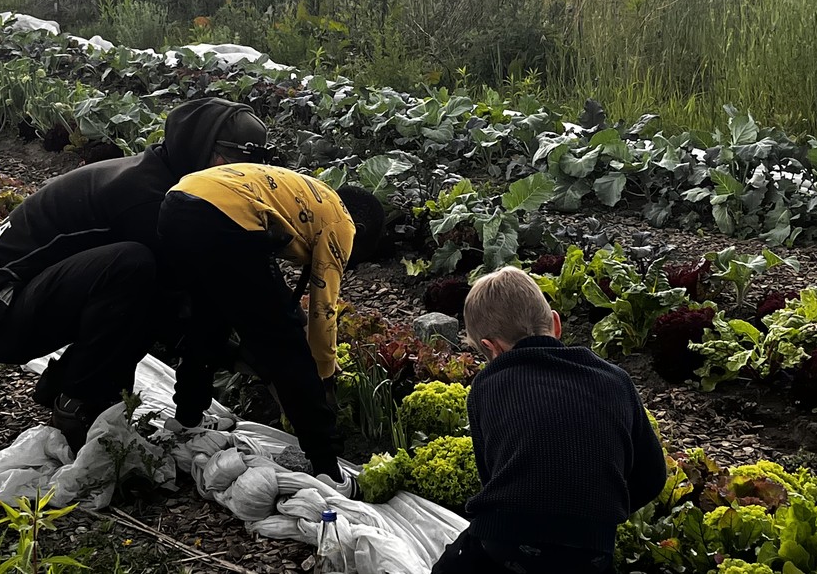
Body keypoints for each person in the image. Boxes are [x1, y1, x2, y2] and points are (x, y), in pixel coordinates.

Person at [0, 98, 271, 452]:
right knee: (136, 269)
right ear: (199, 149)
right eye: (232, 163)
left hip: (23, 297)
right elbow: (186, 303)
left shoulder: (171, 182)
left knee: (147, 289)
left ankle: (68, 388)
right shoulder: (149, 199)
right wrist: (238, 352)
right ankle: (79, 404)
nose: (240, 177)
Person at [156, 163, 385, 489]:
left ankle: (187, 420)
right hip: (221, 218)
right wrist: (324, 372)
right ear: (360, 227)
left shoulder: (314, 196)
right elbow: (323, 311)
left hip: (178, 203)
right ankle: (328, 469)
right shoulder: (343, 224)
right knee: (285, 343)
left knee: (207, 322)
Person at [432, 266, 667, 574]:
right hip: (591, 550)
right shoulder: (616, 380)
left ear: (491, 348)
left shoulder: (488, 384)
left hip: (506, 542)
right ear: (556, 324)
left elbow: (491, 474)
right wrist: (595, 513)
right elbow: (652, 477)